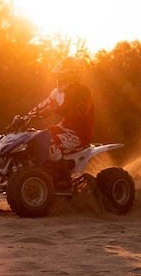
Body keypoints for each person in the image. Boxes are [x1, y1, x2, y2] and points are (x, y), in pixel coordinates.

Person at [27, 57, 94, 188]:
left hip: (79, 134)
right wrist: (26, 118)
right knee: (35, 138)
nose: (60, 78)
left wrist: (55, 110)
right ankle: (41, 173)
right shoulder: (58, 92)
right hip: (63, 128)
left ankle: (64, 179)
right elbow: (43, 106)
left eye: (64, 75)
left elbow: (77, 111)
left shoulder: (84, 92)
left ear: (74, 75)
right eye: (59, 75)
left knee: (50, 145)